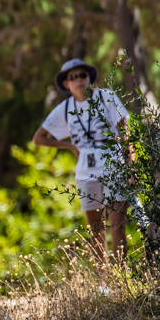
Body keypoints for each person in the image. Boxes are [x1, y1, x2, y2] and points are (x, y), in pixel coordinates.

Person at [31, 58, 130, 263]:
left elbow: (126, 134)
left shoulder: (106, 98)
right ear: (67, 84)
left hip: (115, 168)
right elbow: (38, 139)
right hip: (87, 173)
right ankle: (104, 285)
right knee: (96, 230)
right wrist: (69, 146)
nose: (79, 80)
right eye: (73, 77)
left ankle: (122, 280)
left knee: (117, 225)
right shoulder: (65, 108)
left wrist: (131, 167)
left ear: (89, 78)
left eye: (82, 75)